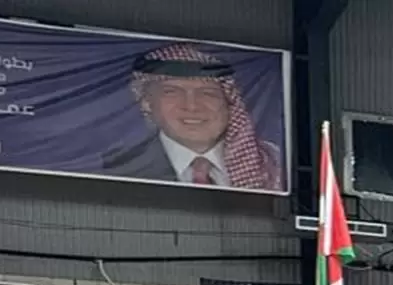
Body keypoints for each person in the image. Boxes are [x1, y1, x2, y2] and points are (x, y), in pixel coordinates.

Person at [104, 45, 287, 190]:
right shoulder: (119, 168)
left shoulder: (271, 165)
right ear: (147, 102)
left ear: (229, 102)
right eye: (172, 92)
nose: (192, 106)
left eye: (207, 93)